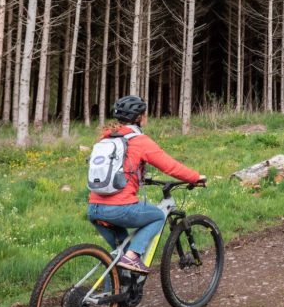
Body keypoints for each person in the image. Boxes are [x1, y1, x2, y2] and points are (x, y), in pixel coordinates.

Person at [87, 95, 204, 273]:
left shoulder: (107, 139)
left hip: (94, 208)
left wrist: (140, 177)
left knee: (117, 258)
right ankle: (134, 256)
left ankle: (114, 299)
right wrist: (195, 177)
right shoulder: (139, 140)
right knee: (157, 216)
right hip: (120, 208)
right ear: (140, 117)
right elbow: (170, 166)